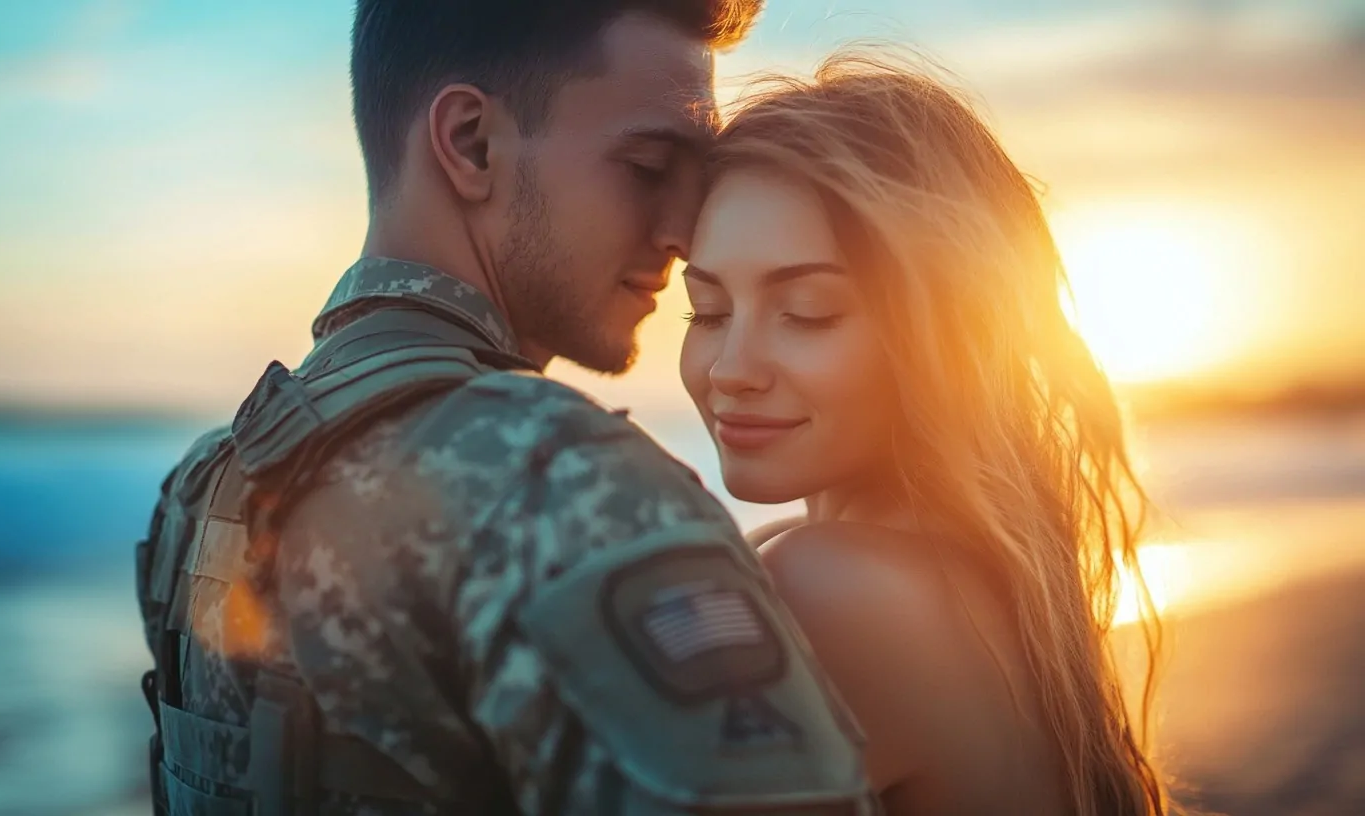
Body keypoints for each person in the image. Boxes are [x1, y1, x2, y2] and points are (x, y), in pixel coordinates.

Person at [133, 2, 878, 815]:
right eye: (649, 166)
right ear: (470, 144)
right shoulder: (566, 487)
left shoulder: (206, 488)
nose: (682, 232)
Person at [680, 53, 1170, 816]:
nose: (730, 368)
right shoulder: (978, 575)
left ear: (946, 332)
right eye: (707, 311)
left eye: (807, 312)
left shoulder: (833, 589)